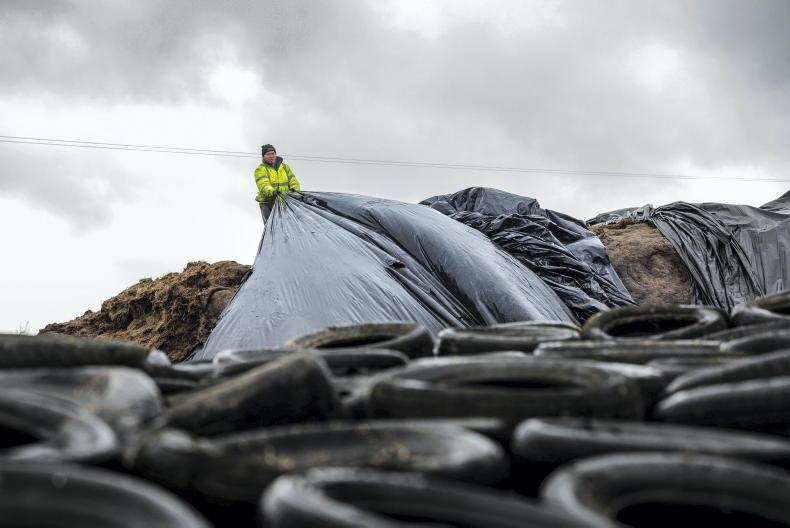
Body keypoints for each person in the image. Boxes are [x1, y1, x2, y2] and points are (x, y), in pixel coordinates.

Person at [254, 144, 301, 222]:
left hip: (285, 201)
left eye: (273, 153)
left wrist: (295, 190)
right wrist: (272, 191)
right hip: (268, 203)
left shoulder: (285, 167)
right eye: (268, 154)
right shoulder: (260, 170)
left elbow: (293, 181)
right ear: (263, 156)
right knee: (273, 227)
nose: (271, 156)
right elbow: (263, 184)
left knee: (289, 225)